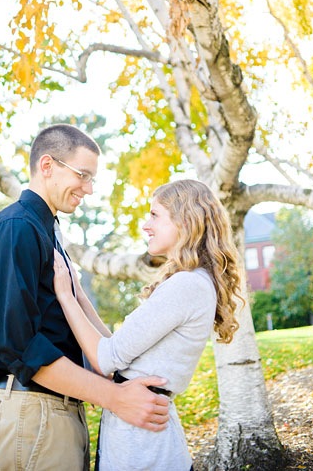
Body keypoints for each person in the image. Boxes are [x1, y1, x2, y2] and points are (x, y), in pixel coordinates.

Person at [0, 124, 170, 471]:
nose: (89, 189)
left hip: (56, 414)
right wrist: (115, 398)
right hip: (31, 417)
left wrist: (116, 371)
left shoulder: (49, 229)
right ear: (47, 166)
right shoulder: (16, 228)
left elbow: (74, 303)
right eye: (83, 175)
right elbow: (21, 348)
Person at [52, 178, 244, 471]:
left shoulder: (186, 285)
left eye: (155, 215)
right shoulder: (192, 282)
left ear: (185, 221)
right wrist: (78, 292)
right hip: (143, 435)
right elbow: (116, 350)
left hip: (141, 446)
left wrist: (65, 297)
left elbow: (105, 359)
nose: (146, 225)